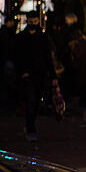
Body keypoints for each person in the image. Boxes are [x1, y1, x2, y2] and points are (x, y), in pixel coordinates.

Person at [15, 11, 57, 142]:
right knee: (31, 100)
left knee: (36, 101)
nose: (33, 24)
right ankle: (30, 127)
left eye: (35, 21)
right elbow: (18, 56)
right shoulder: (22, 37)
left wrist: (52, 75)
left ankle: (30, 125)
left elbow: (48, 57)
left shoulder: (43, 37)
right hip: (28, 75)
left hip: (40, 74)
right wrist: (22, 71)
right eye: (31, 21)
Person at [60, 12, 86, 113]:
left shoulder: (70, 32)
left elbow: (67, 48)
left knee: (73, 84)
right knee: (79, 84)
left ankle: (73, 105)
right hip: (82, 62)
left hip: (74, 63)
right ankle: (79, 103)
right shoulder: (81, 31)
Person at [0, 15, 19, 113]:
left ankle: (6, 104)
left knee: (7, 85)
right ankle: (7, 105)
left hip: (6, 61)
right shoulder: (6, 34)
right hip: (7, 61)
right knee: (8, 84)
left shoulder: (4, 33)